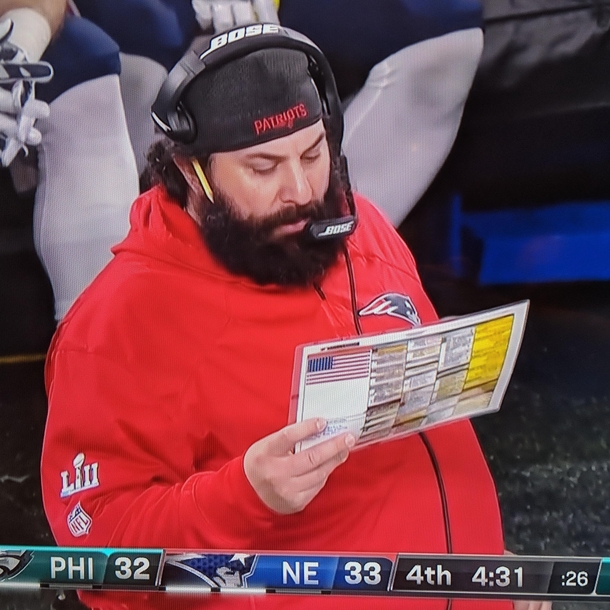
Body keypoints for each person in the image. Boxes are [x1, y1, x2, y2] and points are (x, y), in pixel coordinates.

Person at [40, 24, 549, 610]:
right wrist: (244, 495)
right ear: (190, 173)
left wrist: (477, 561)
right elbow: (102, 559)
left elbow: (424, 447)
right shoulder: (115, 328)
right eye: (262, 168)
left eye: (313, 153)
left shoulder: (365, 230)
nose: (302, 190)